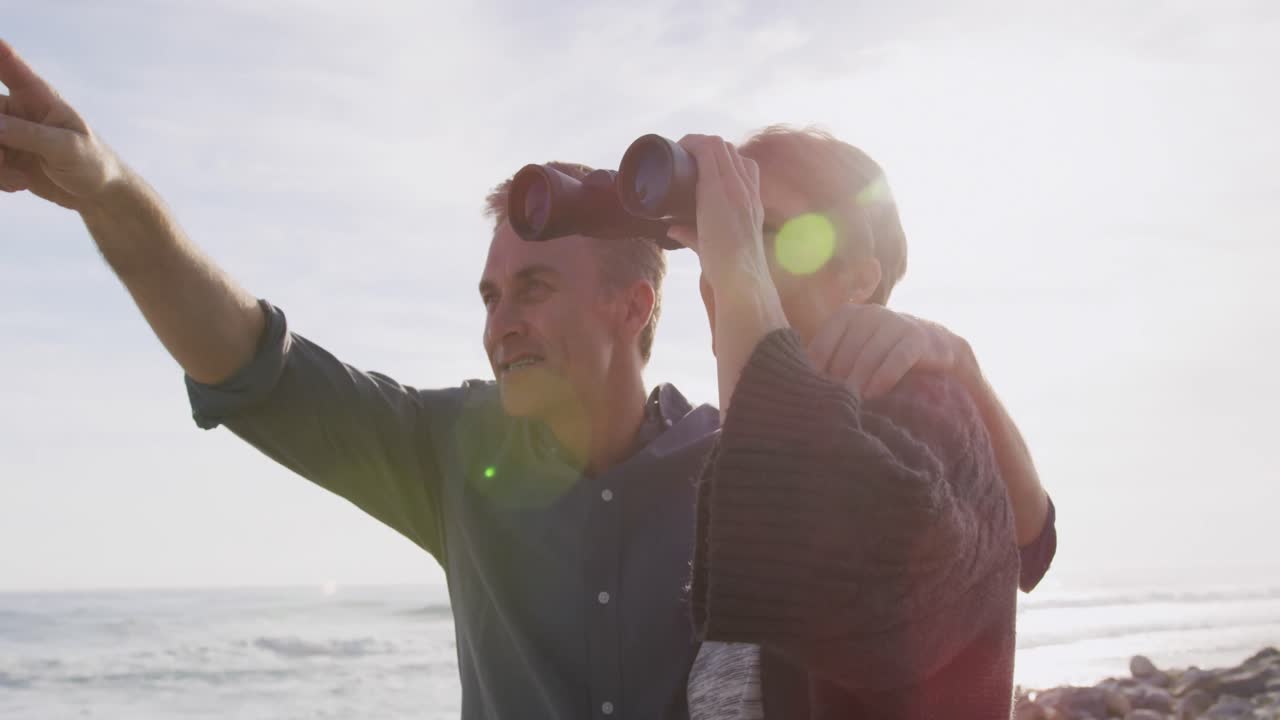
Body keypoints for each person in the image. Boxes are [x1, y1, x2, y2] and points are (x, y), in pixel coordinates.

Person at [0, 40, 1052, 720]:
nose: (499, 323)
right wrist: (105, 192)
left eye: (533, 287)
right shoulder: (451, 458)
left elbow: (1003, 543)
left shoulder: (742, 464)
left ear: (635, 304)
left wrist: (956, 366)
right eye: (489, 295)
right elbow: (246, 360)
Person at [669, 128, 1053, 719]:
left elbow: (830, 548)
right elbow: (1035, 537)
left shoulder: (925, 414)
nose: (722, 261)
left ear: (859, 277)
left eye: (759, 230)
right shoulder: (741, 456)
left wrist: (965, 368)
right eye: (719, 237)